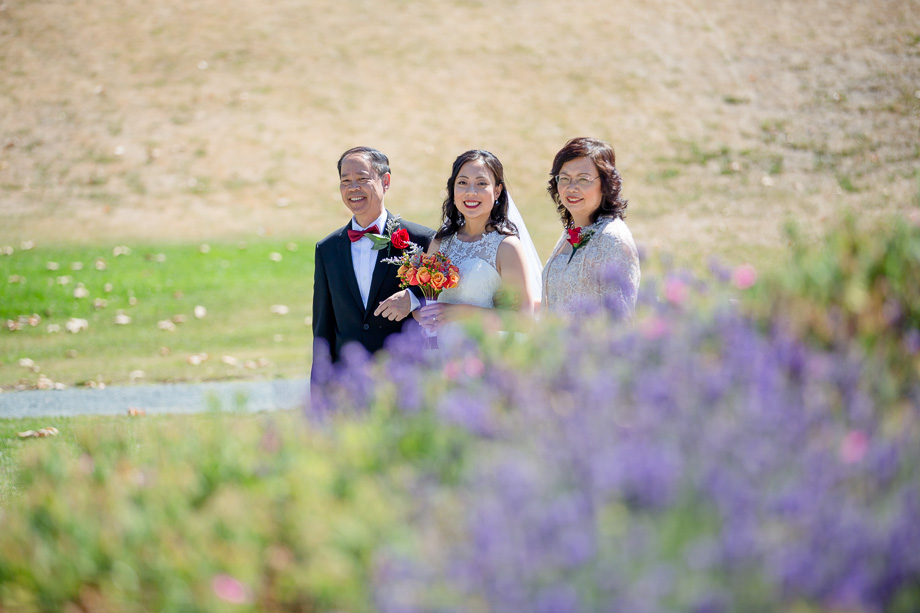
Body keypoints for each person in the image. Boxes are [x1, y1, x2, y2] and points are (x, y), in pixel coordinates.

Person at [311, 146, 435, 372]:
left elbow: (444, 297)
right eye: (345, 180)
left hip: (406, 377)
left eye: (362, 178)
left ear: (385, 181)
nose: (353, 188)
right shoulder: (327, 249)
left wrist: (413, 297)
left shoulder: (421, 241)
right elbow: (323, 330)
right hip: (349, 381)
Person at [413, 149, 541, 341]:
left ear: (497, 190)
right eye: (463, 183)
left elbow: (524, 321)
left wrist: (460, 312)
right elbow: (425, 302)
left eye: (481, 184)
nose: (471, 192)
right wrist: (421, 313)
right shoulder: (440, 242)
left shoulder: (507, 247)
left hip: (483, 351)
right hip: (437, 349)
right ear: (453, 189)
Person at [542, 137, 640, 319]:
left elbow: (621, 319)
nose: (571, 188)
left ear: (605, 184)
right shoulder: (571, 232)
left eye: (583, 179)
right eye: (564, 178)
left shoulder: (613, 239)